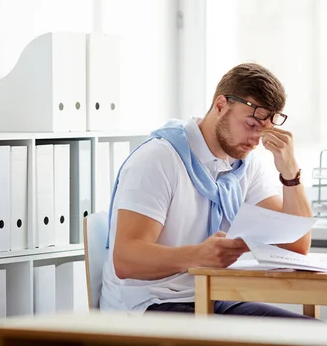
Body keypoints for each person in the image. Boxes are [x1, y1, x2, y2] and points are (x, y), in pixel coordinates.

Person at [99, 63, 314, 318]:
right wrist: (198, 255)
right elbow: (126, 260)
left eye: (264, 130)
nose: (257, 140)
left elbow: (295, 244)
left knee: (313, 337)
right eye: (251, 125)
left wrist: (290, 173)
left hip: (212, 298)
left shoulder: (245, 165)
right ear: (221, 105)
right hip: (147, 304)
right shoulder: (159, 157)